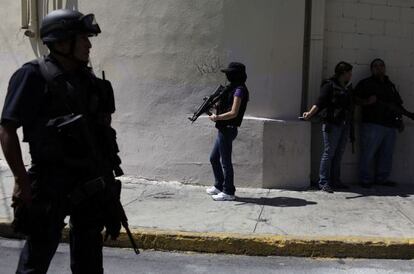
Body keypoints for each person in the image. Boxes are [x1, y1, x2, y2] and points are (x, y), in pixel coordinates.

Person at [0, 9, 123, 273]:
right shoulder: (32, 75)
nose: (89, 45)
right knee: (36, 259)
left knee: (89, 262)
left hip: (90, 183)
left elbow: (103, 136)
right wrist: (22, 180)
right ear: (62, 41)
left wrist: (109, 188)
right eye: (83, 38)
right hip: (49, 183)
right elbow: (7, 130)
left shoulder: (91, 83)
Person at [354, 58, 414, 188]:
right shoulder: (366, 83)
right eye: (375, 66)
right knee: (368, 153)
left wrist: (401, 120)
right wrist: (367, 102)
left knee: (386, 154)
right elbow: (354, 98)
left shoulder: (390, 85)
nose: (379, 68)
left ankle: (382, 178)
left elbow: (397, 105)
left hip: (390, 125)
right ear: (371, 69)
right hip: (372, 124)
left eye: (381, 65)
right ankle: (365, 179)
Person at [302, 61, 354, 193]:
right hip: (332, 124)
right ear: (343, 73)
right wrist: (310, 113)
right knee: (329, 153)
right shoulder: (330, 85)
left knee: (338, 154)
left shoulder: (347, 88)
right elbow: (320, 102)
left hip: (344, 124)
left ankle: (335, 180)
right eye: (349, 72)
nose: (351, 75)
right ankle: (323, 182)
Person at [205, 62, 249, 201]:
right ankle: (219, 185)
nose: (227, 76)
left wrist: (217, 117)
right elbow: (227, 105)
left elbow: (234, 112)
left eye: (230, 73)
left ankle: (228, 191)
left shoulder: (240, 90)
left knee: (225, 162)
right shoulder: (232, 88)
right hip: (223, 128)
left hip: (228, 128)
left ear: (236, 74)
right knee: (213, 158)